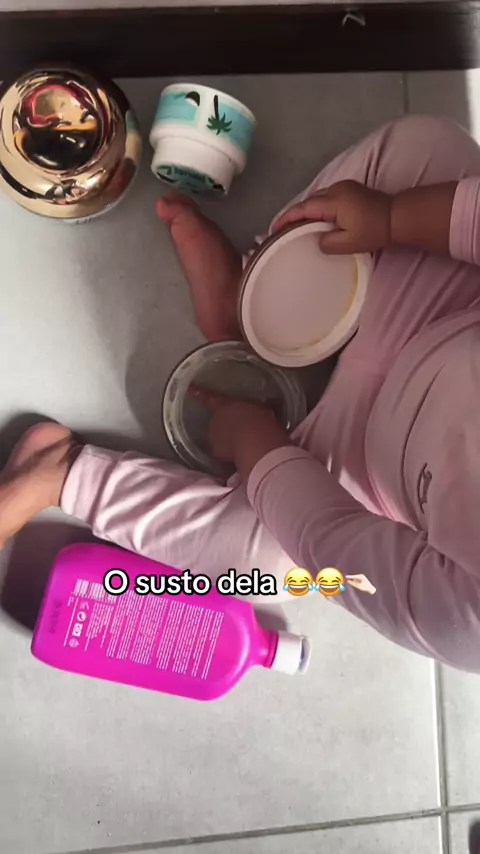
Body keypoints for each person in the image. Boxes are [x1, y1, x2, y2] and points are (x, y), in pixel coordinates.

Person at [2, 114, 480, 672]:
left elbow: (332, 541)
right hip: (442, 307)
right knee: (431, 149)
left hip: (364, 473)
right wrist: (391, 218)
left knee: (275, 570)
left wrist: (258, 446)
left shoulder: (466, 624)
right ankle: (244, 295)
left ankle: (62, 472)